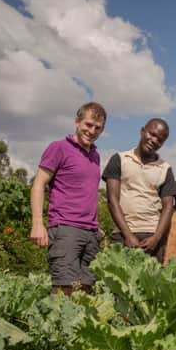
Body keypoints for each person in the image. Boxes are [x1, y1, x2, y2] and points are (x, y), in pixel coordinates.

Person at [30, 102, 107, 295]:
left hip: (90, 233)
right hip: (65, 228)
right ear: (77, 121)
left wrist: (94, 226)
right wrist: (37, 224)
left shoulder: (95, 155)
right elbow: (39, 184)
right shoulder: (59, 148)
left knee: (86, 292)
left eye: (97, 128)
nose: (92, 131)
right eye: (88, 125)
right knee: (64, 291)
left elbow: (85, 192)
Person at [102, 118, 176, 263]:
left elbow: (168, 206)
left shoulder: (165, 168)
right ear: (142, 131)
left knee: (150, 284)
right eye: (152, 134)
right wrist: (128, 235)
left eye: (160, 140)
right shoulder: (119, 159)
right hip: (122, 234)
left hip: (151, 236)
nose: (154, 140)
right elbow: (112, 200)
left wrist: (156, 237)